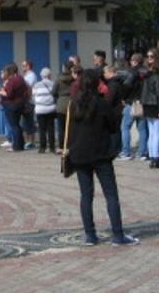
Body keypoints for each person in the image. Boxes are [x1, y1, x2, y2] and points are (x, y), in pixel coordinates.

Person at [65, 68, 139, 247]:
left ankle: (90, 235)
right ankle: (118, 235)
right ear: (97, 84)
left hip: (80, 155)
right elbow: (113, 128)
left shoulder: (73, 103)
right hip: (101, 154)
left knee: (86, 195)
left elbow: (68, 130)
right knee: (111, 194)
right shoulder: (101, 104)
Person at [119, 53, 147, 161]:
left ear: (135, 61)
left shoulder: (132, 72)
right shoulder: (146, 72)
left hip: (131, 102)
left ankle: (126, 152)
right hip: (143, 103)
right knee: (142, 128)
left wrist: (123, 98)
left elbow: (127, 86)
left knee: (125, 127)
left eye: (131, 60)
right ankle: (142, 153)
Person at [0, 63, 28, 152]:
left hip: (11, 105)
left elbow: (8, 94)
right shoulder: (20, 78)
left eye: (5, 71)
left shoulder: (12, 80)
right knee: (17, 125)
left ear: (9, 71)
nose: (5, 73)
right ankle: (21, 145)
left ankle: (16, 146)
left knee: (14, 126)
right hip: (20, 103)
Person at [140, 49, 159, 168]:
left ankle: (152, 157)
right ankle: (155, 158)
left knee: (152, 132)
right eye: (148, 56)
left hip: (146, 103)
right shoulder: (157, 75)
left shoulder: (146, 74)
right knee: (157, 132)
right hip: (154, 104)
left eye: (152, 56)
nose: (149, 58)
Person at [32, 67, 57, 154]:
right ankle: (52, 147)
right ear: (49, 75)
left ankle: (42, 147)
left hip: (40, 109)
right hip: (51, 109)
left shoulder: (37, 85)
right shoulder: (53, 84)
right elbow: (55, 95)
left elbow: (33, 96)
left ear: (41, 76)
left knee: (42, 129)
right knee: (51, 128)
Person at [54, 62, 74, 153]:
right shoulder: (74, 79)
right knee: (71, 126)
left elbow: (54, 91)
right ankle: (70, 145)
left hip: (61, 103)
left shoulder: (58, 79)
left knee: (61, 127)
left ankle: (61, 146)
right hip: (72, 102)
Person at [20, 59, 38, 150]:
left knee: (29, 122)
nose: (22, 67)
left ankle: (31, 142)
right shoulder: (26, 75)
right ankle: (28, 141)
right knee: (25, 122)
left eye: (23, 65)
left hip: (29, 101)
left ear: (28, 66)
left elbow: (28, 88)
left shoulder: (31, 75)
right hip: (25, 101)